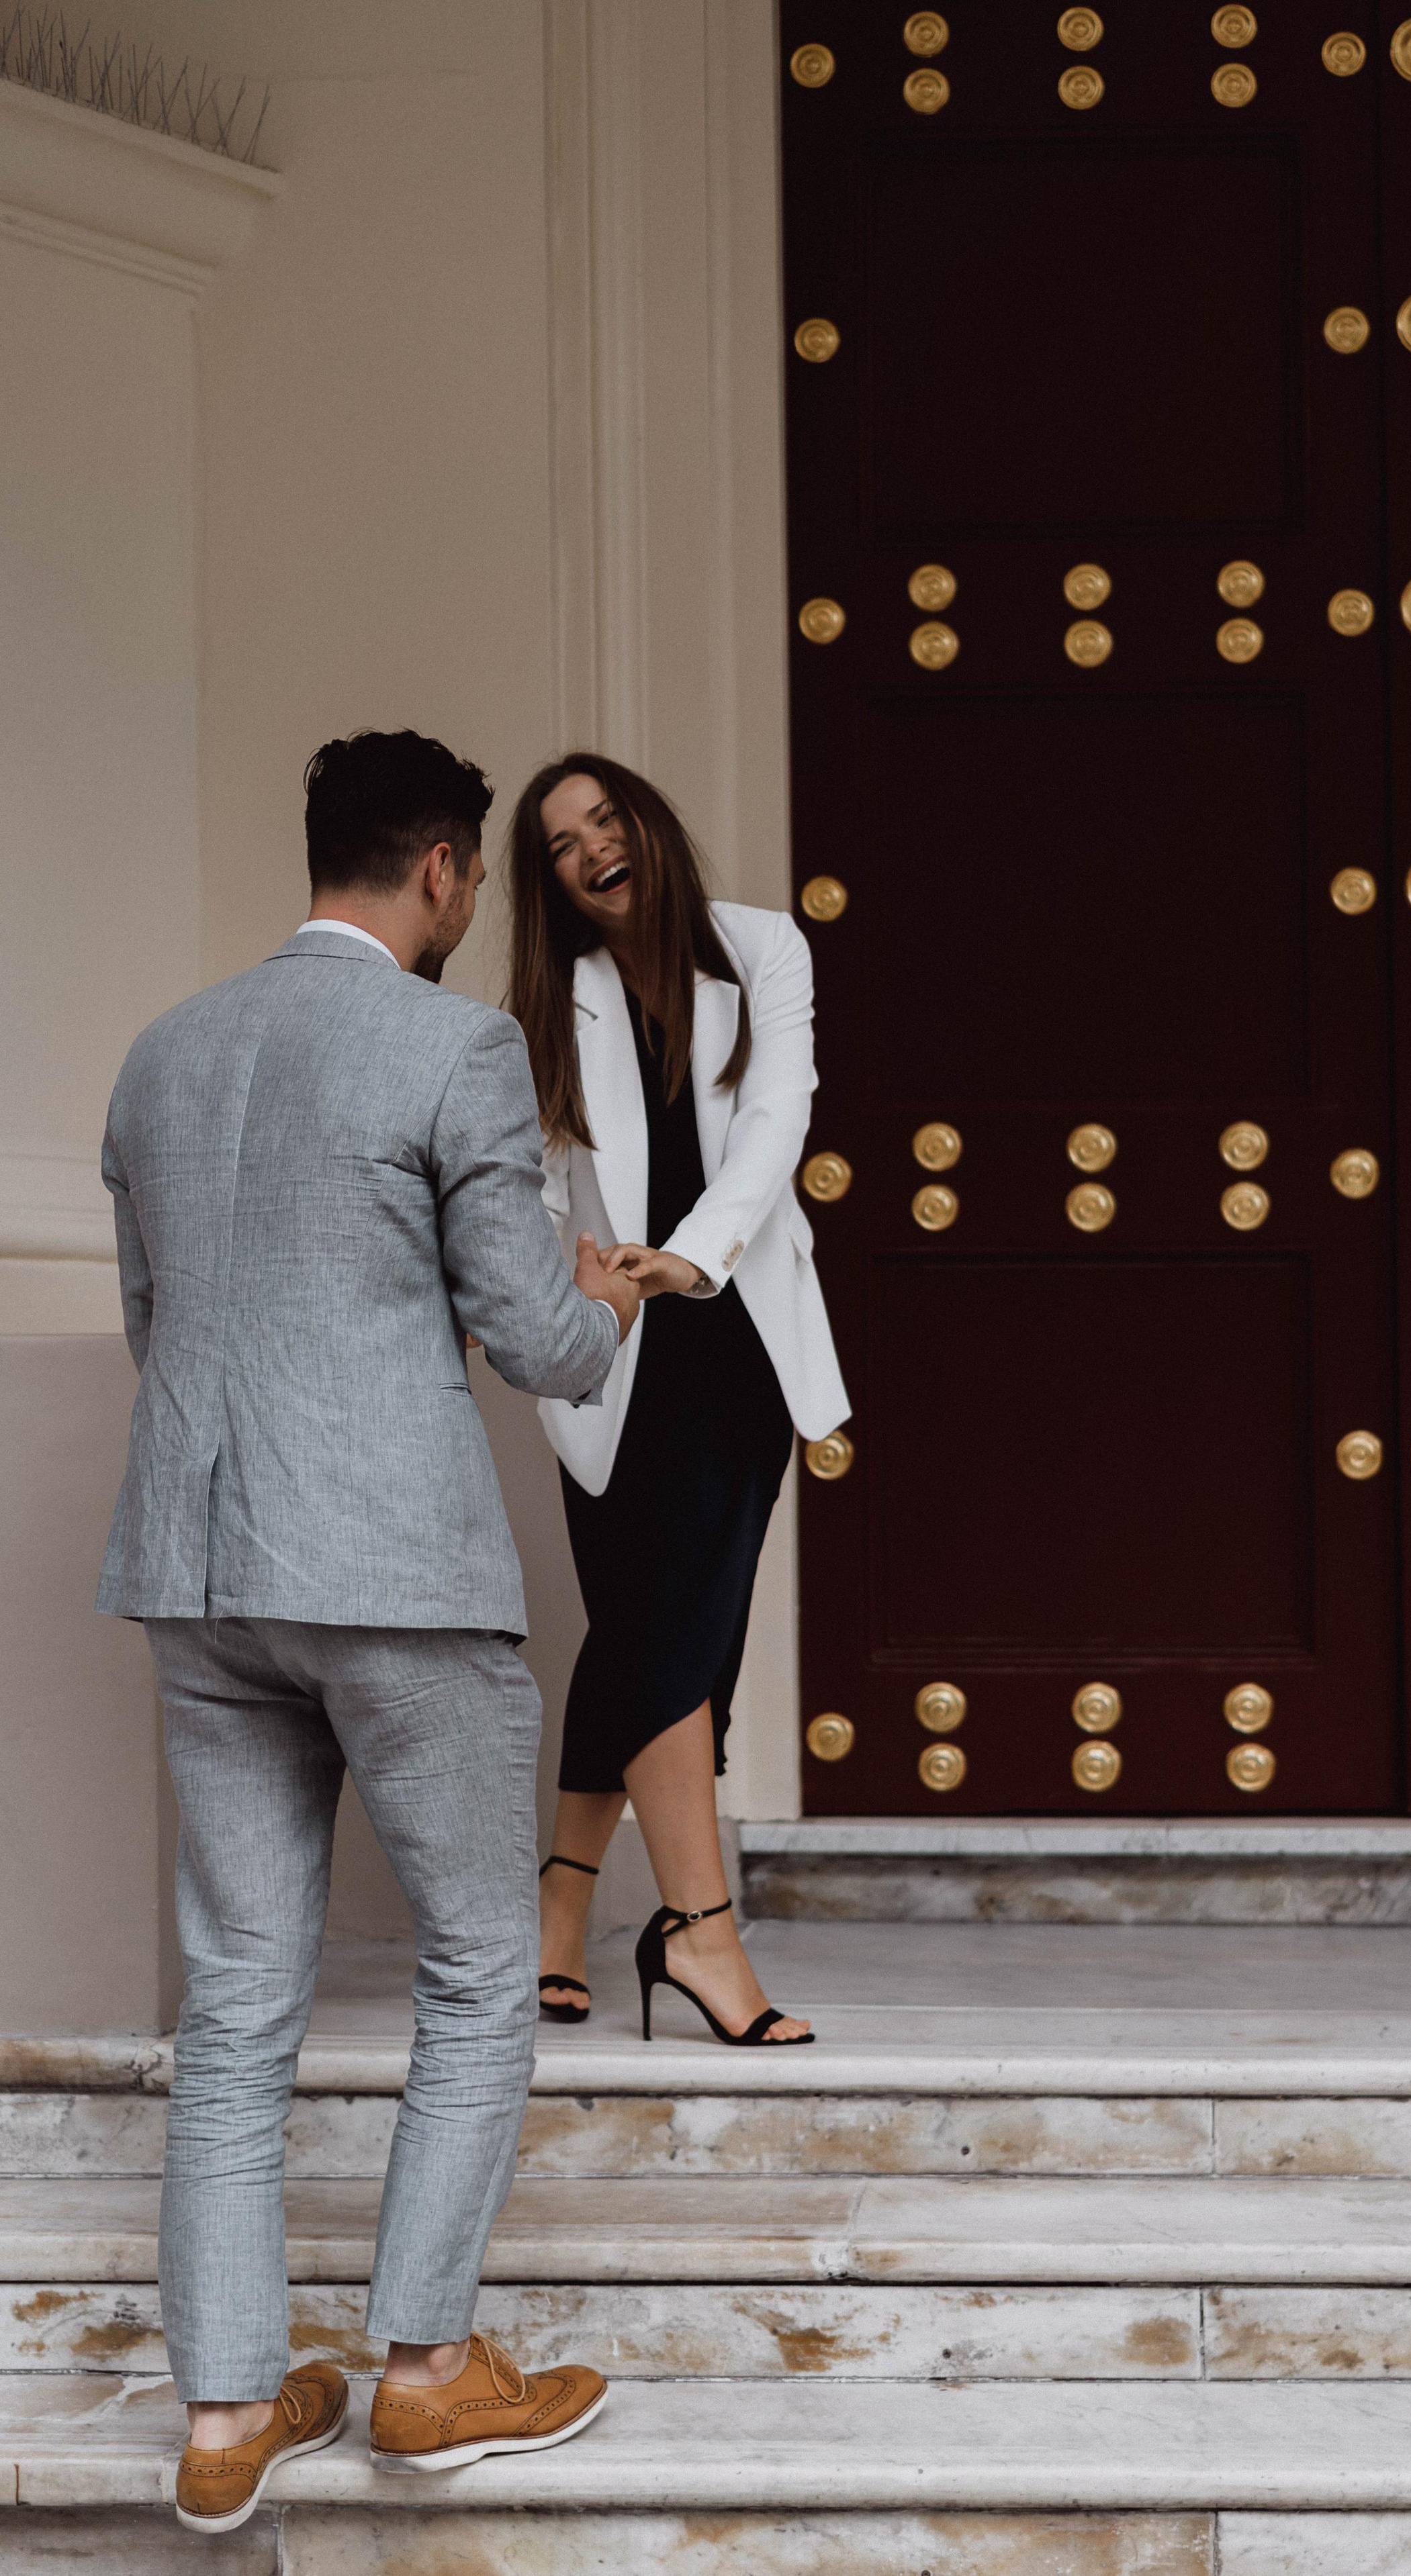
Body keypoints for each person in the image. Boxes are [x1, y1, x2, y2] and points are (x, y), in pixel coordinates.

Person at [97, 730, 641, 2536]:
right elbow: (534, 1336)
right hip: (394, 1573)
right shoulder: (454, 1044)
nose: (474, 903)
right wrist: (601, 1284)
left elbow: (152, 1326)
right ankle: (422, 2370)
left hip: (199, 1561)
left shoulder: (163, 1053)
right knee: (481, 1967)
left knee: (238, 1996)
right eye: (477, 876)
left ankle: (226, 2410)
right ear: (436, 872)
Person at [507, 755, 850, 2046]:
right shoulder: (553, 1004)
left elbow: (777, 1121)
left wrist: (688, 1257)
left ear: (646, 824)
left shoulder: (763, 949)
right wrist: (576, 1281)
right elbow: (538, 1186)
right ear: (552, 883)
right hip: (616, 1349)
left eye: (605, 819)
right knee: (663, 1631)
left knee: (667, 1630)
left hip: (736, 1337)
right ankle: (699, 1933)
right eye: (558, 844)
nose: (593, 847)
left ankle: (564, 1901)